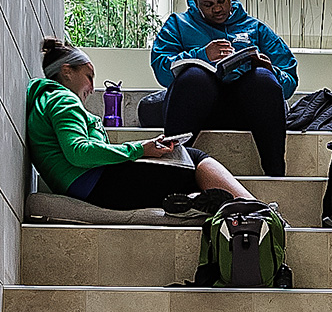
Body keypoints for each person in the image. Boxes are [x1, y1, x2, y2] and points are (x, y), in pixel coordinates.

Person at [29, 38, 251, 212]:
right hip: (96, 184)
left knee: (185, 169)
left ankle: (201, 204)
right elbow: (78, 152)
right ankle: (253, 209)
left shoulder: (46, 100)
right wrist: (140, 148)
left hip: (89, 184)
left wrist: (143, 148)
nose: (92, 87)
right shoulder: (63, 99)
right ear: (67, 71)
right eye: (89, 76)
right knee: (193, 158)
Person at [151, 0, 298, 176]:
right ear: (195, 3)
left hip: (248, 111)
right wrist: (202, 55)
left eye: (222, 0)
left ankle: (275, 173)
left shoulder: (255, 28)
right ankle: (173, 171)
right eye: (208, 5)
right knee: (195, 77)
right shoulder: (178, 24)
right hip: (197, 109)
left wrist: (271, 71)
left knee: (263, 79)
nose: (218, 9)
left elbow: (290, 78)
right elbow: (162, 70)